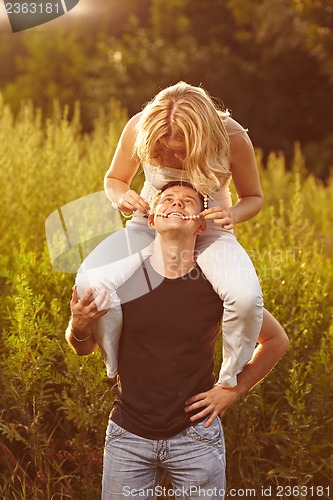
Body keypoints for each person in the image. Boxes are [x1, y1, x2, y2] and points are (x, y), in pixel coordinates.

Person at [66, 182, 289, 500]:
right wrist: (79, 325)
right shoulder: (122, 280)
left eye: (188, 201)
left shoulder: (217, 285)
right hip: (128, 435)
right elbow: (82, 347)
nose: (176, 204)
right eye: (167, 199)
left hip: (197, 438)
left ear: (201, 224)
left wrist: (233, 390)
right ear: (152, 220)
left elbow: (276, 340)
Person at [81, 81, 264, 389]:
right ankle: (113, 363)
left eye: (178, 149)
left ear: (202, 135)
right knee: (90, 282)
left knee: (245, 298)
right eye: (161, 148)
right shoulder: (140, 126)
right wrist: (121, 196)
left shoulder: (233, 138)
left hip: (209, 226)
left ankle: (228, 380)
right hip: (149, 220)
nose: (169, 155)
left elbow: (254, 198)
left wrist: (231, 214)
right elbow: (114, 179)